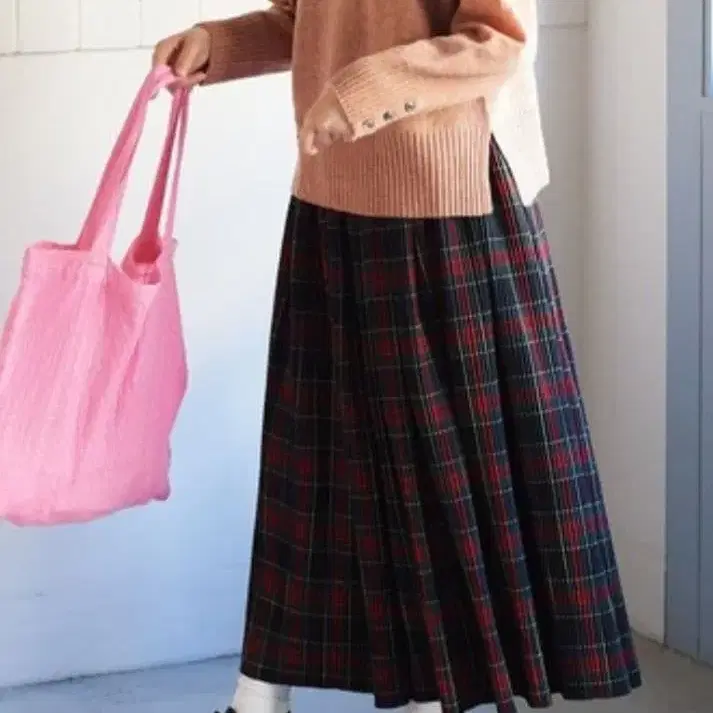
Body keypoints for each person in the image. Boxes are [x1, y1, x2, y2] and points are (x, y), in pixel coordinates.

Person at [153, 1, 642, 712]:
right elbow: (301, 19)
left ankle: (418, 697)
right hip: (329, 200)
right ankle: (259, 695)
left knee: (434, 474)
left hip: (439, 207)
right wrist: (216, 44)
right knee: (312, 467)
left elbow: (497, 43)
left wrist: (361, 91)